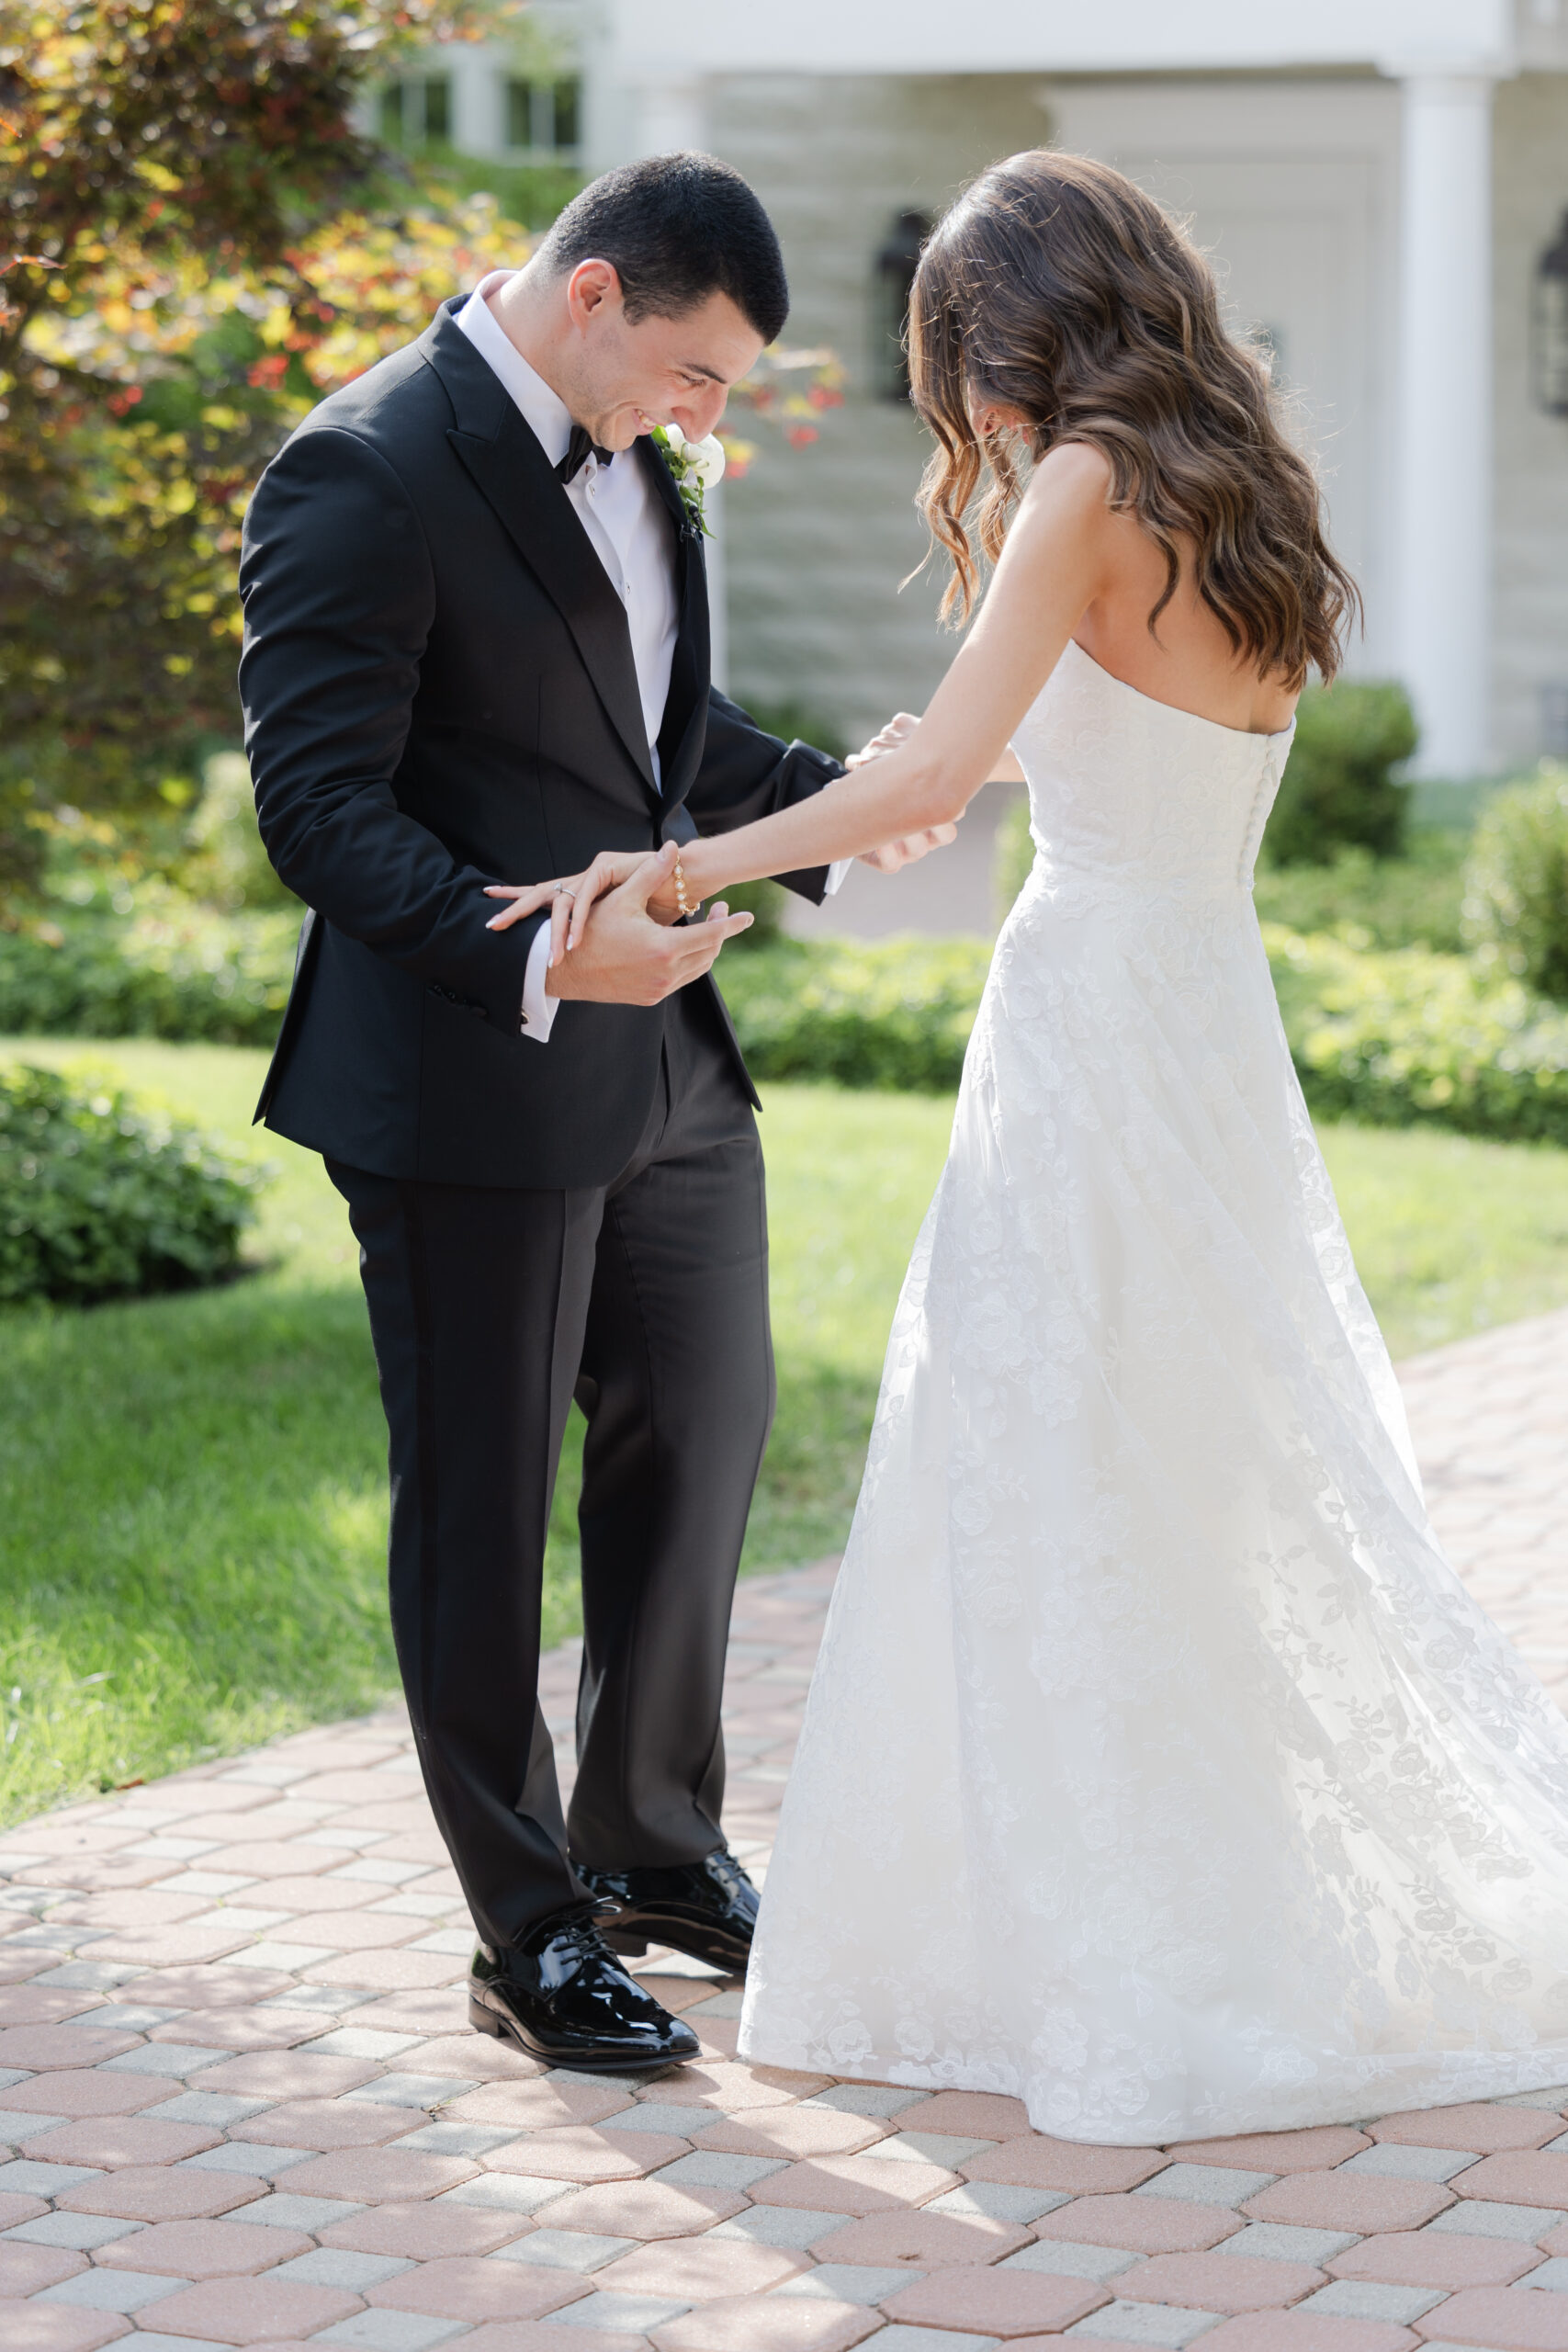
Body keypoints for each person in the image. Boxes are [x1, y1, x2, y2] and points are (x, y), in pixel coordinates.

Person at [516, 151, 1568, 2140]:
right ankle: (1144, 1897)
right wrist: (895, 798)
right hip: (1198, 1022)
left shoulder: (1077, 479)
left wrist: (672, 859)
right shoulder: (1229, 494)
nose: (966, 413)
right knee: (1183, 1462)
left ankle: (1077, 1935)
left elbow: (930, 762)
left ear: (1012, 329)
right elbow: (1021, 754)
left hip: (1090, 1022)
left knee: (1036, 1452)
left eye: (960, 367)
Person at [238, 152, 950, 2075]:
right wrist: (540, 960)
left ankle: (649, 1841)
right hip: (468, 1070)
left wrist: (825, 812)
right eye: (698, 374)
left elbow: (646, 732)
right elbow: (317, 806)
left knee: (705, 1423)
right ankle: (526, 1923)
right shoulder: (363, 467)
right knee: (481, 1504)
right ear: (594, 296)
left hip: (670, 1067)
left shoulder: (636, 447)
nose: (706, 416)